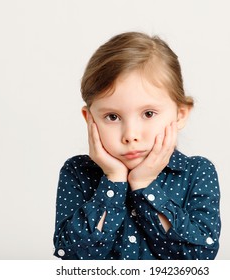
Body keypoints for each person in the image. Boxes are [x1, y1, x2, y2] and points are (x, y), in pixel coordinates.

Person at [53, 32, 221, 260]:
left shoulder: (197, 173)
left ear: (180, 114)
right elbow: (71, 255)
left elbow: (200, 256)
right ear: (89, 118)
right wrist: (113, 180)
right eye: (112, 117)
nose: (130, 135)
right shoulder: (77, 172)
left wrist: (144, 185)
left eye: (148, 113)